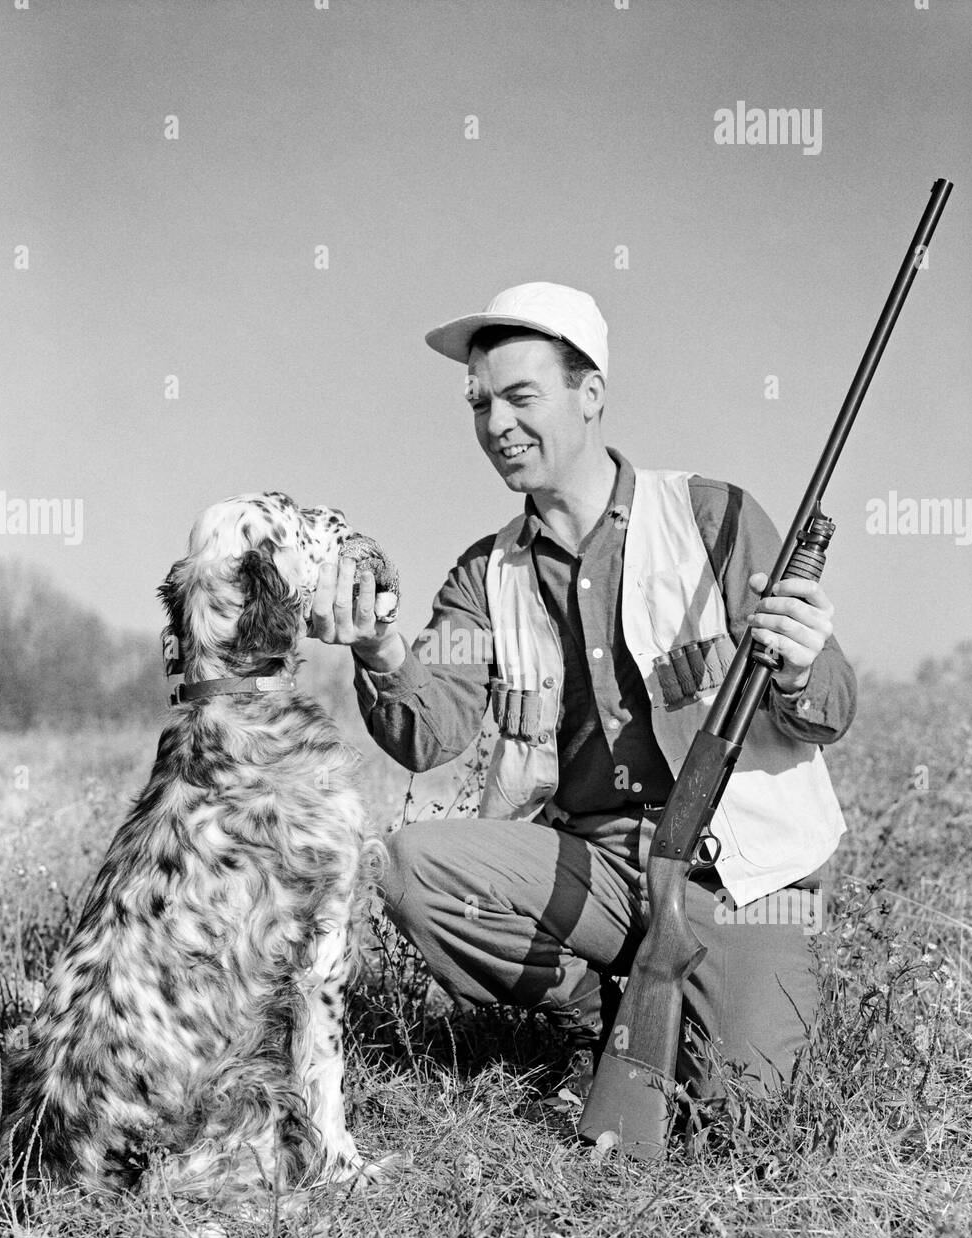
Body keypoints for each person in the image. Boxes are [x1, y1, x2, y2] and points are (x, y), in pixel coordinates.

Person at [311, 282, 855, 1106]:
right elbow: (429, 737)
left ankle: (678, 1015)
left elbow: (832, 708)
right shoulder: (481, 573)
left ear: (590, 393)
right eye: (480, 403)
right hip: (591, 867)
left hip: (739, 877)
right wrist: (379, 648)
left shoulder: (714, 516)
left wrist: (799, 664)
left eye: (521, 397)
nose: (496, 425)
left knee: (746, 1110)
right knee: (412, 865)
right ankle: (586, 1020)